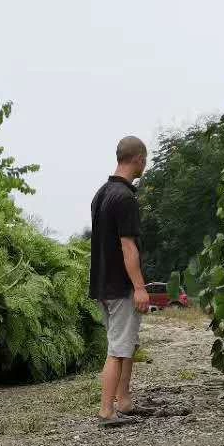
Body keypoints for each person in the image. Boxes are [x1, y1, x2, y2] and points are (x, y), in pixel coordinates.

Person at [89, 136, 150, 426]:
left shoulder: (101, 194)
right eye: (144, 160)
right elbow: (128, 246)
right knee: (117, 349)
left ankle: (123, 401)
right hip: (121, 285)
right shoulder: (125, 198)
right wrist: (139, 286)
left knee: (126, 344)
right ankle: (106, 411)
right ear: (138, 159)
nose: (144, 165)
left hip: (102, 283)